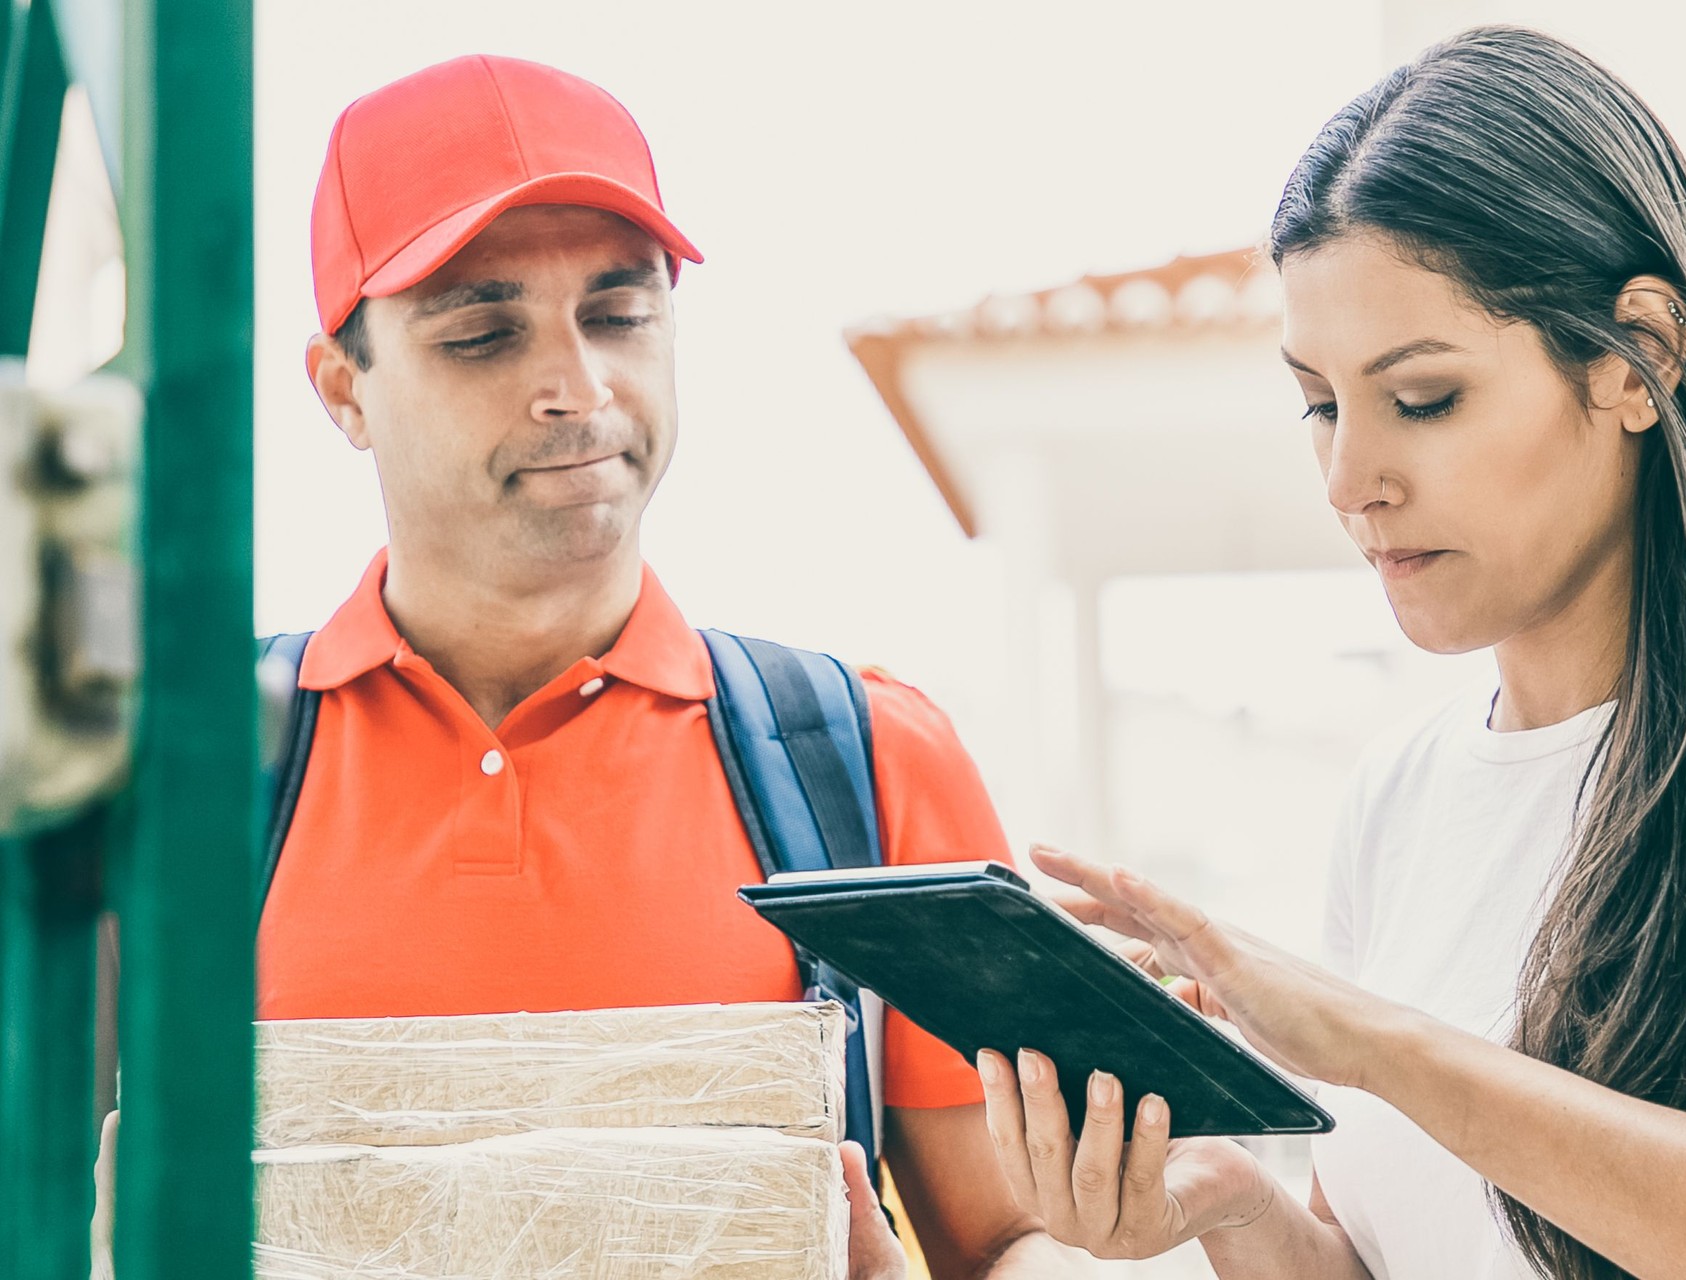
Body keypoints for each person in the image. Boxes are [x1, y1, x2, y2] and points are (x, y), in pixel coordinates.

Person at [975, 26, 1686, 1280]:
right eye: (1319, 401)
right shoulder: (1400, 798)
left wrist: (1380, 1043)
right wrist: (1236, 1203)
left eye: (1423, 398)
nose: (1349, 479)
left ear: (1643, 357)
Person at [152, 53, 1082, 1280]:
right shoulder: (183, 771)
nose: (578, 389)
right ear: (343, 389)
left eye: (620, 315)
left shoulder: (867, 761)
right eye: (484, 333)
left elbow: (1012, 1241)